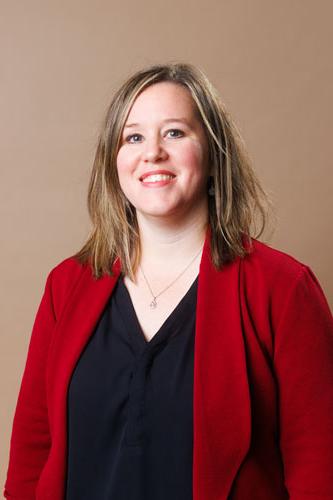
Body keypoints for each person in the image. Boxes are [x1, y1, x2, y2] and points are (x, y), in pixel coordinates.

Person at [4, 62, 333, 500]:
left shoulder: (284, 289)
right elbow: (32, 456)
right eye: (133, 137)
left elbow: (320, 471)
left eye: (175, 133)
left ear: (215, 154)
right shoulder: (67, 286)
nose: (152, 152)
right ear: (113, 161)